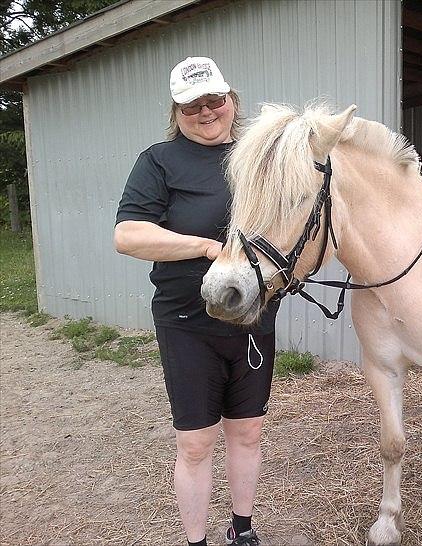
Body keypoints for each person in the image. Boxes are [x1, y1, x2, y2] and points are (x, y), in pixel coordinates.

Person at [114, 56, 278, 546]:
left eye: (214, 100)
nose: (206, 112)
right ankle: (196, 540)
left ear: (232, 100)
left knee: (247, 432)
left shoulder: (259, 155)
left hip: (252, 319)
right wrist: (206, 247)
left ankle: (243, 529)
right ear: (176, 111)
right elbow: (128, 235)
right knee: (196, 443)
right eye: (191, 106)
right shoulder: (160, 161)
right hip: (187, 321)